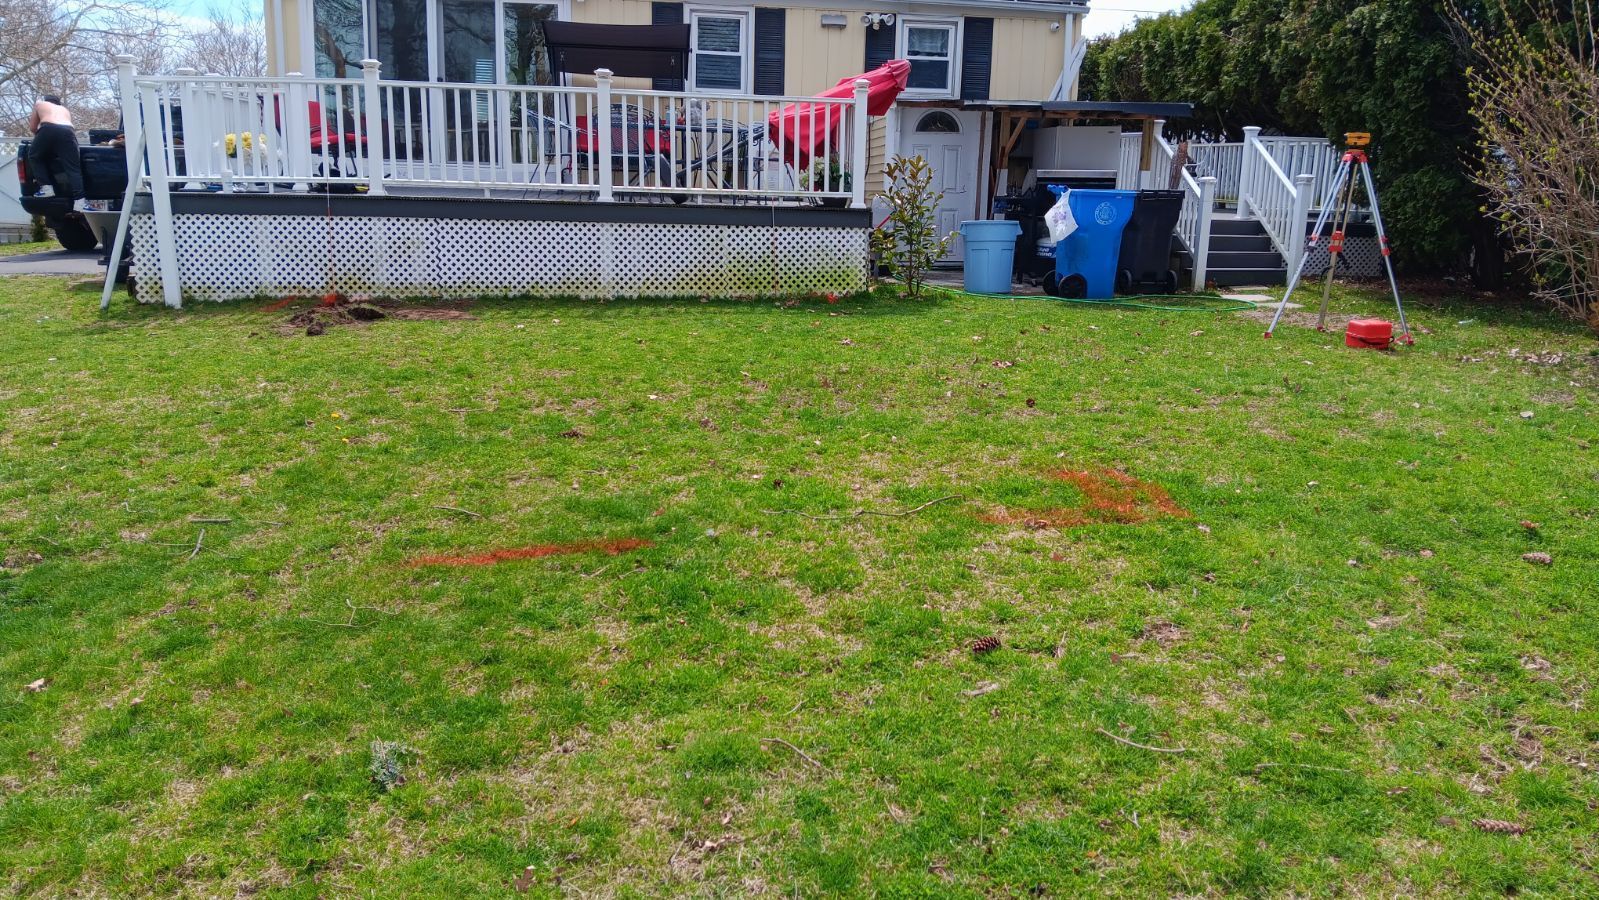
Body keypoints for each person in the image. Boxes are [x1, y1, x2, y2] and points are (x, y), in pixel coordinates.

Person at [27, 95, 82, 200]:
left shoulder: (40, 104)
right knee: (73, 168)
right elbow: (60, 133)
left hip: (48, 128)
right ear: (58, 103)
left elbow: (33, 128)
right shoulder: (64, 110)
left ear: (46, 101)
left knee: (34, 156)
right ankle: (80, 201)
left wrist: (43, 142)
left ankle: (46, 189)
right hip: (68, 131)